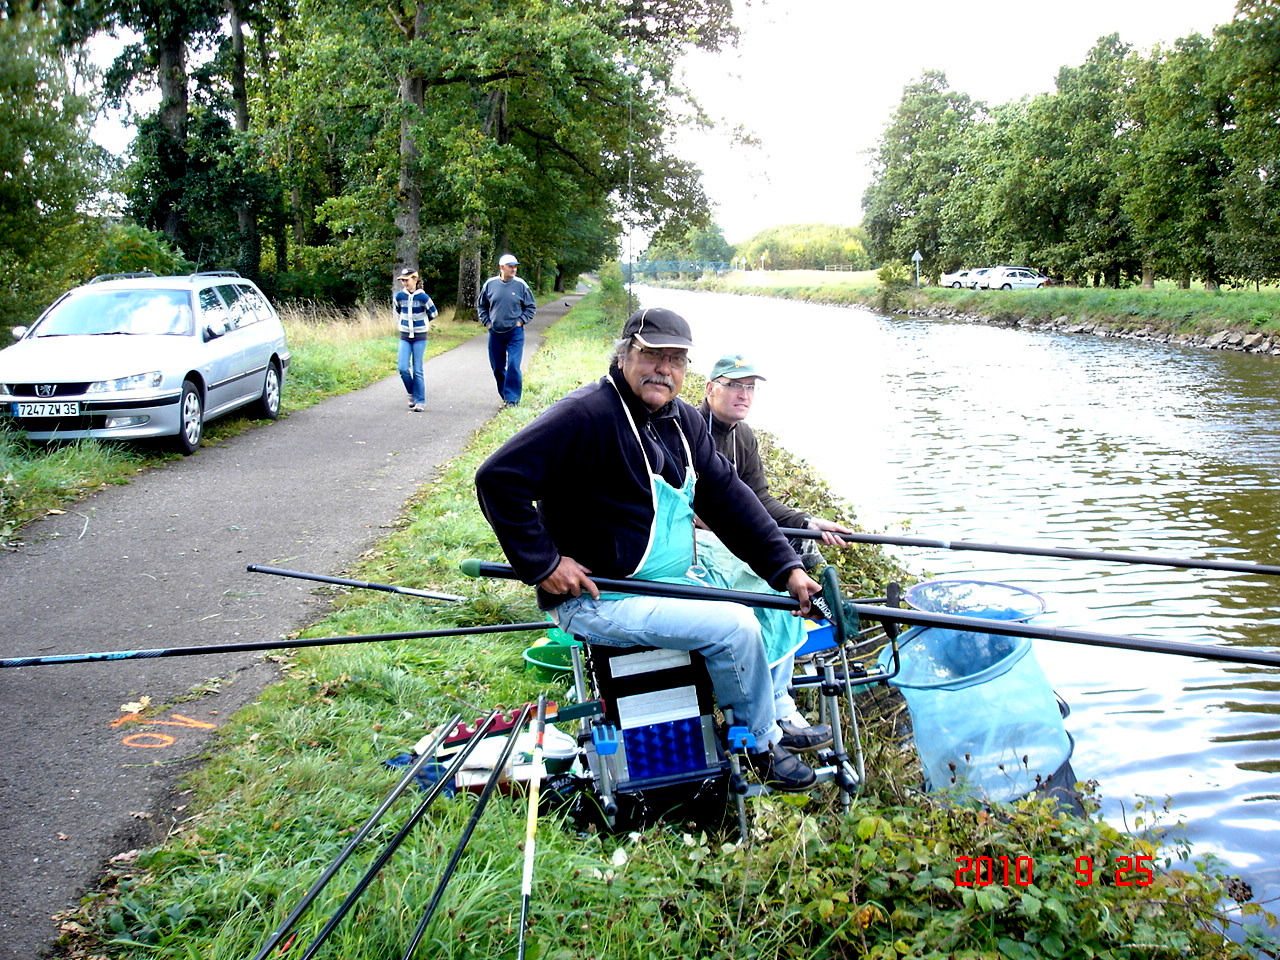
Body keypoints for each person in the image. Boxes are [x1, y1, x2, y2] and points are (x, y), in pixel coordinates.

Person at [476, 307, 823, 791]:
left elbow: (729, 499)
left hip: (663, 583)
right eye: (652, 354)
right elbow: (498, 480)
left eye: (676, 359)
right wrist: (544, 564)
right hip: (600, 597)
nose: (664, 368)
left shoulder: (681, 421)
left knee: (772, 602)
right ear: (625, 356)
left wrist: (785, 568)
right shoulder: (586, 415)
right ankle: (760, 743)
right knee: (735, 624)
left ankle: (773, 711)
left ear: (686, 372)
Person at [696, 352, 859, 746]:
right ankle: (765, 710)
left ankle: (780, 699)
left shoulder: (744, 436)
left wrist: (807, 522)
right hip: (696, 541)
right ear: (710, 388)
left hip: (731, 534)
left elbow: (759, 500)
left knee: (783, 574)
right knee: (760, 590)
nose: (744, 395)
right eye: (735, 385)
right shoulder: (688, 426)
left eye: (750, 388)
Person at [476, 253, 536, 407]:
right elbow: (482, 305)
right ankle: (505, 393)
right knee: (497, 367)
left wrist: (520, 321)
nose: (514, 269)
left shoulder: (521, 285)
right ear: (501, 267)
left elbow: (530, 307)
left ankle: (512, 399)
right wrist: (487, 322)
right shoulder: (490, 285)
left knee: (514, 365)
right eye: (510, 266)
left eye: (515, 266)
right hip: (495, 332)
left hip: (515, 333)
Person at [393, 270, 438, 412]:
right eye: (403, 280)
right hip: (405, 336)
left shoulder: (423, 297)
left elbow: (434, 313)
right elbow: (399, 310)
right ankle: (412, 392)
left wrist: (422, 323)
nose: (405, 283)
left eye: (407, 280)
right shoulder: (399, 296)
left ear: (415, 280)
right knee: (403, 368)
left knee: (417, 369)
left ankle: (420, 400)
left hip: (419, 337)